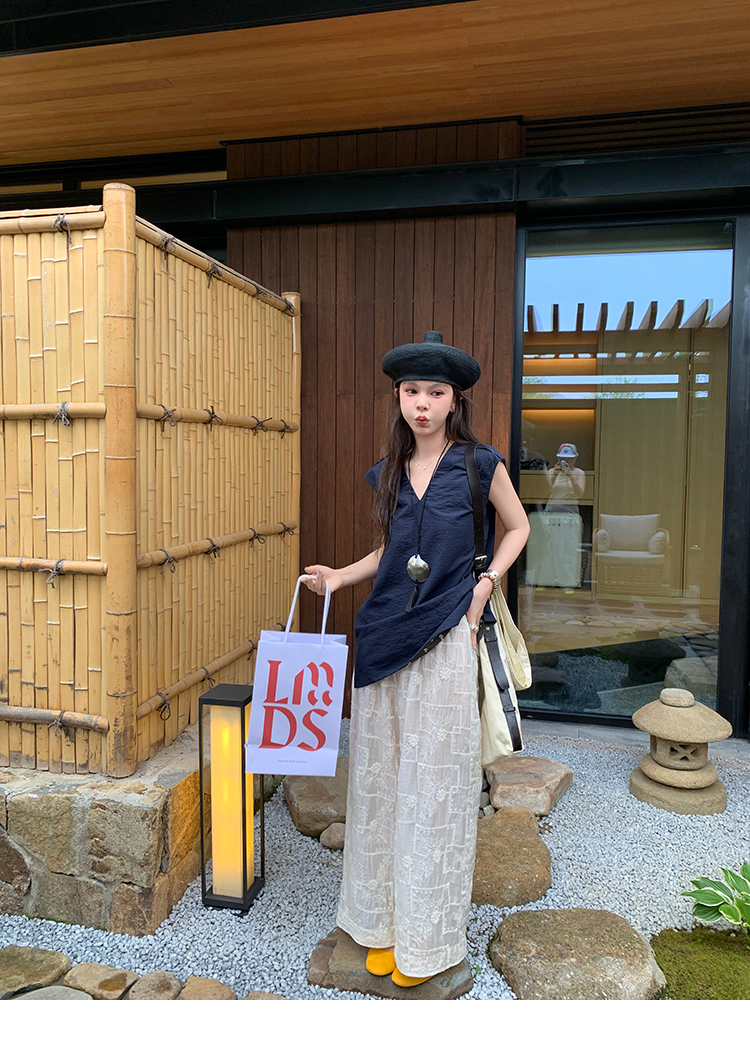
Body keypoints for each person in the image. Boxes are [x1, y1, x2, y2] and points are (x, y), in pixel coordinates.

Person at [303, 331, 529, 988]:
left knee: (438, 790)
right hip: (382, 641)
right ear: (398, 397)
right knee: (379, 789)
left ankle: (426, 940)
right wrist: (340, 578)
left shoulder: (480, 465)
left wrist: (484, 588)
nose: (422, 404)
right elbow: (389, 551)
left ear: (455, 399)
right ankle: (378, 925)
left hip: (447, 636)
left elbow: (517, 526)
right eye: (411, 392)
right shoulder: (389, 472)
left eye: (435, 392)